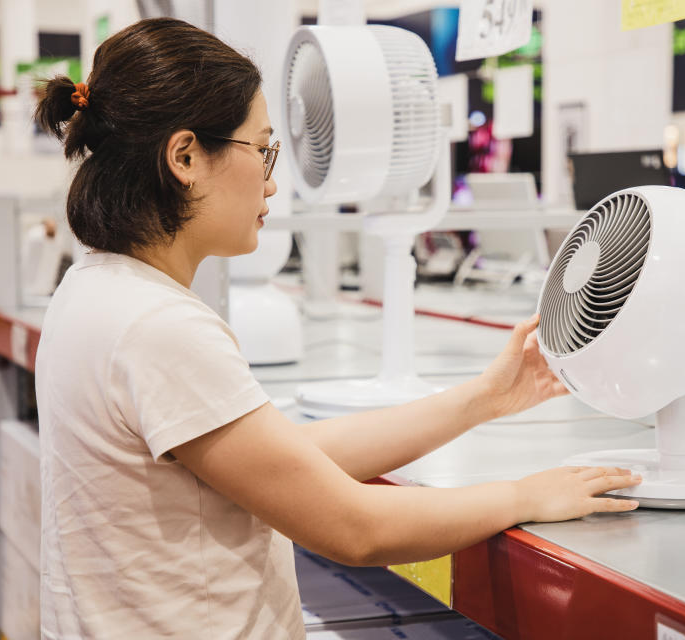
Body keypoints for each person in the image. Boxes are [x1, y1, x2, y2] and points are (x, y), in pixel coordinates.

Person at [34, 17, 641, 640]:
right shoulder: (160, 328)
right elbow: (355, 528)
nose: (272, 181)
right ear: (185, 156)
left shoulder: (94, 289)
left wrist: (481, 401)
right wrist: (526, 496)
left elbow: (288, 462)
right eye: (262, 149)